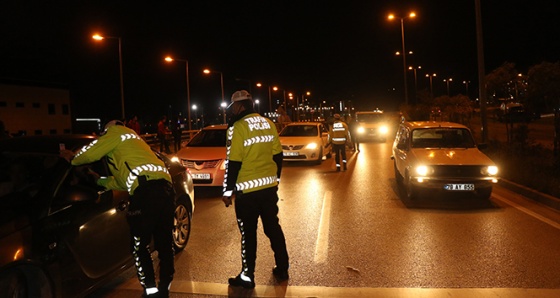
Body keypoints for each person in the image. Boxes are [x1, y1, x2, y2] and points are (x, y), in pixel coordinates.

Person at [60, 120, 176, 297]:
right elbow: (123, 181)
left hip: (146, 193)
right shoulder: (134, 142)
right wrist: (98, 180)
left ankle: (151, 291)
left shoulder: (115, 132)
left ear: (107, 131)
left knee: (139, 246)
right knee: (165, 243)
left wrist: (72, 158)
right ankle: (164, 289)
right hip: (167, 191)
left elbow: (91, 152)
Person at [221, 90, 289, 289]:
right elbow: (278, 155)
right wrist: (276, 179)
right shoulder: (269, 123)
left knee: (248, 234)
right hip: (269, 188)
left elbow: (233, 161)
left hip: (247, 191)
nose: (232, 110)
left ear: (239, 106)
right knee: (273, 228)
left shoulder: (237, 127)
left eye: (233, 106)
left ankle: (247, 276)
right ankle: (283, 268)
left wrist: (227, 191)